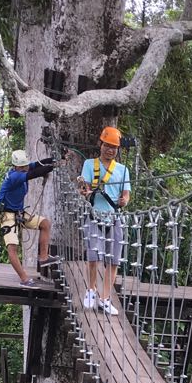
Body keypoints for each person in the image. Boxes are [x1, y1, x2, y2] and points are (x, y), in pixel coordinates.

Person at [77, 126, 131, 314]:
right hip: (94, 216)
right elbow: (83, 188)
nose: (110, 150)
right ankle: (91, 290)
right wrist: (85, 190)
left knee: (114, 261)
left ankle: (105, 298)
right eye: (107, 145)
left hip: (114, 218)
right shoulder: (90, 165)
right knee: (94, 257)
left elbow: (126, 195)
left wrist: (125, 200)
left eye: (114, 147)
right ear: (101, 144)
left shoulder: (123, 170)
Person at [0, 148, 56, 286]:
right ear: (15, 166)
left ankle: (43, 257)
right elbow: (35, 173)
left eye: (26, 166)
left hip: (19, 213)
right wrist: (52, 167)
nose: (25, 169)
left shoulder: (25, 169)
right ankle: (24, 279)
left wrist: (53, 160)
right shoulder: (14, 177)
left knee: (45, 224)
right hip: (7, 215)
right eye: (22, 167)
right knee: (12, 247)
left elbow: (37, 165)